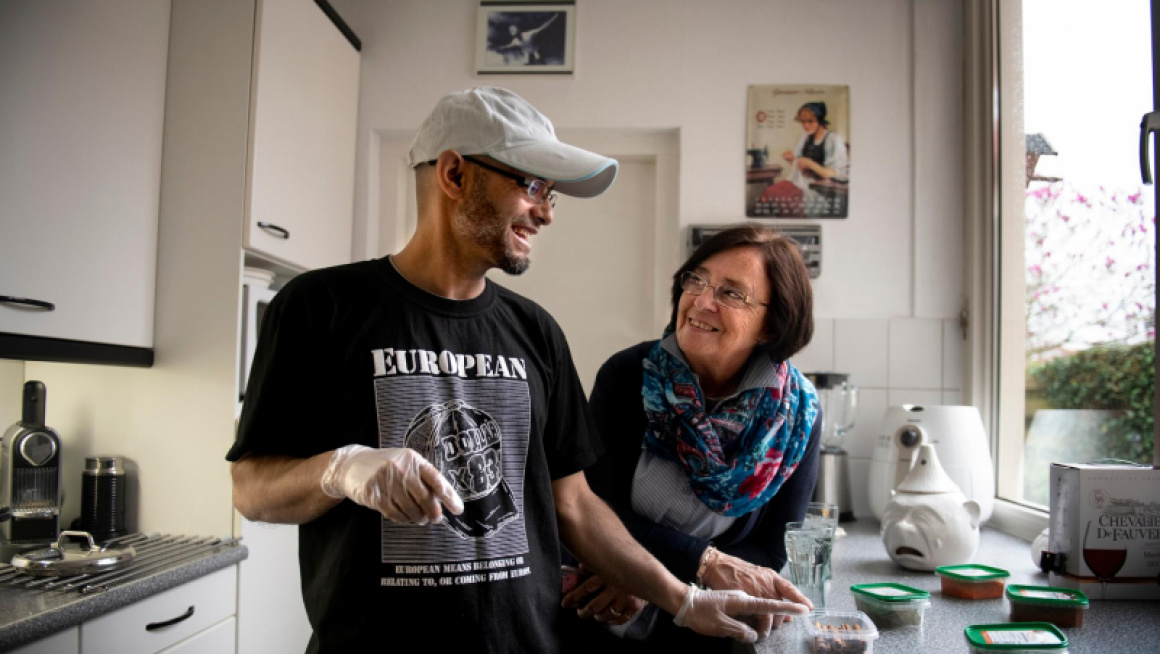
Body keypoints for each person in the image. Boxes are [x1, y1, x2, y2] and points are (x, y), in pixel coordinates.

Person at [226, 88, 806, 654]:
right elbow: (252, 489)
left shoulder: (536, 331)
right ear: (454, 175)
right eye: (531, 185)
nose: (547, 213)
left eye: (553, 194)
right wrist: (340, 469)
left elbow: (575, 506)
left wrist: (681, 598)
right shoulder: (319, 307)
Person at [563, 224, 822, 652]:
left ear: (771, 326)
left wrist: (656, 581)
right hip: (606, 614)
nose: (701, 301)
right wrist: (673, 572)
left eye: (731, 293)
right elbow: (591, 505)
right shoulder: (629, 376)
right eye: (696, 280)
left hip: (712, 631)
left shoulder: (797, 416)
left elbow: (772, 549)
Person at [761, 102, 850, 216]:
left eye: (810, 121)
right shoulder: (805, 138)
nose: (805, 126)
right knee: (769, 193)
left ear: (820, 120)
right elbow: (800, 168)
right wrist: (792, 160)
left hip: (820, 191)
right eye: (803, 121)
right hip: (802, 183)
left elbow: (833, 173)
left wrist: (810, 163)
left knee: (785, 200)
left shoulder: (832, 140)